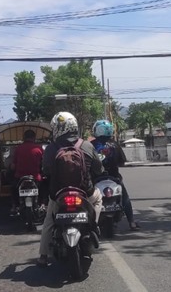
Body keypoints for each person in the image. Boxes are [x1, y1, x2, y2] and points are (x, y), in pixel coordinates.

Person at [37, 112, 103, 268]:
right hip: (85, 193)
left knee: (49, 222)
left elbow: (45, 170)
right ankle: (94, 224)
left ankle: (43, 256)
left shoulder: (51, 148)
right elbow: (99, 169)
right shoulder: (87, 145)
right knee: (99, 198)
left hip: (58, 195)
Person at [91, 120, 140, 231]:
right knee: (125, 198)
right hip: (114, 177)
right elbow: (122, 162)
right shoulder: (115, 145)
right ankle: (131, 222)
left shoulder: (91, 145)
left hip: (96, 178)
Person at [9, 129, 44, 213]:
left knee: (13, 187)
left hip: (20, 178)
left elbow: (13, 166)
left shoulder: (18, 149)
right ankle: (43, 204)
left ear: (24, 138)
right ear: (34, 138)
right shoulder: (39, 149)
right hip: (36, 178)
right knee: (44, 186)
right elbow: (44, 164)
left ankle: (14, 206)